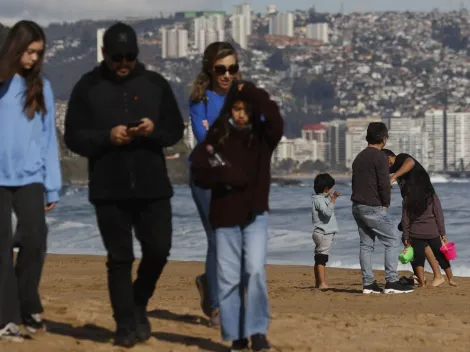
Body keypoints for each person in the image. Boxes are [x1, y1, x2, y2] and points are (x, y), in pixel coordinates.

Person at [64, 22, 184, 348]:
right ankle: (125, 326)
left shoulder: (155, 84)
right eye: (117, 57)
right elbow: (72, 136)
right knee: (119, 259)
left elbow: (175, 130)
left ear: (137, 54)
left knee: (159, 250)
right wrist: (107, 137)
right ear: (104, 54)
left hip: (153, 186)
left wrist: (152, 130)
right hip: (108, 188)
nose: (123, 64)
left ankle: (137, 301)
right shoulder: (86, 87)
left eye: (129, 57)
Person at [191, 81, 283, 352]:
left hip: (255, 215)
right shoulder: (217, 136)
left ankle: (257, 332)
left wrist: (249, 91)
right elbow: (198, 170)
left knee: (254, 271)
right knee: (229, 279)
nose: (240, 114)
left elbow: (275, 116)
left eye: (245, 109)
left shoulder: (263, 137)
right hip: (224, 217)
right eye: (236, 108)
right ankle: (237, 335)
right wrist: (225, 176)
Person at [0, 21, 61, 341]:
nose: (33, 58)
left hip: (31, 177)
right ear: (15, 48)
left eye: (38, 53)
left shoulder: (42, 86)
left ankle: (27, 305)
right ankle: (6, 317)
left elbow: (49, 137)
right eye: (28, 51)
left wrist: (53, 184)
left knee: (35, 239)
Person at [189, 42, 240, 326]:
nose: (227, 74)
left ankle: (208, 283)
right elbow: (203, 138)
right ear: (210, 68)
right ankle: (218, 307)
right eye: (221, 69)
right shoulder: (201, 99)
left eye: (232, 68)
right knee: (217, 236)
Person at [351, 122, 413, 294]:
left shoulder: (359, 157)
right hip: (372, 206)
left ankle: (368, 284)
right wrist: (385, 203)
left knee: (366, 245)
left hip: (357, 206)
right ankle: (392, 282)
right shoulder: (379, 157)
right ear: (383, 139)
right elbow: (384, 184)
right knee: (392, 239)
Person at [383, 149, 444, 287]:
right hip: (413, 205)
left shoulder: (401, 159)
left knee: (413, 238)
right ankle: (425, 275)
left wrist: (393, 178)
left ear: (388, 159)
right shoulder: (396, 168)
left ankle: (435, 275)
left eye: (383, 164)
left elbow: (410, 162)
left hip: (423, 201)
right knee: (415, 240)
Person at [401, 172, 457, 287]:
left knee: (418, 259)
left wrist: (406, 236)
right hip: (432, 232)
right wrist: (442, 233)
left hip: (415, 233)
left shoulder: (407, 198)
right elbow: (439, 215)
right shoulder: (432, 196)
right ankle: (451, 279)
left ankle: (422, 283)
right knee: (441, 256)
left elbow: (405, 219)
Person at [311, 173, 339, 289]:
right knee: (322, 258)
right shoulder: (319, 200)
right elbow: (327, 213)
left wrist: (331, 198)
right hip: (324, 232)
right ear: (326, 188)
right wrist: (332, 200)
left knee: (319, 258)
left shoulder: (319, 198)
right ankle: (322, 283)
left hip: (320, 232)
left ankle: (318, 283)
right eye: (330, 188)